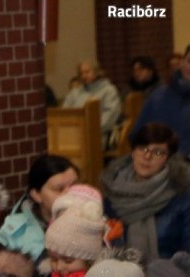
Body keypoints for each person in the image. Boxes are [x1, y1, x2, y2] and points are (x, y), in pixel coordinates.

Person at [102, 122, 190, 261]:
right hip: (119, 275)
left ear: (168, 159)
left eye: (157, 152)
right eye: (142, 148)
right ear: (132, 152)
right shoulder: (113, 191)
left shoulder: (182, 196)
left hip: (170, 276)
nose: (147, 156)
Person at [0, 154, 79, 277]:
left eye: (74, 186)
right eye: (59, 189)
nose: (69, 194)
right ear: (36, 195)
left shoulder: (94, 223)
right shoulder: (12, 233)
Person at [132, 45, 190, 156]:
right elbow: (138, 135)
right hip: (159, 164)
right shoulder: (158, 97)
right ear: (182, 62)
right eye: (189, 61)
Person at [62, 60, 122, 147]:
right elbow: (65, 113)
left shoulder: (109, 91)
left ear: (97, 72)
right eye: (81, 73)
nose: (84, 76)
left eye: (87, 72)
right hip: (73, 134)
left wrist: (88, 129)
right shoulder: (75, 92)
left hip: (97, 135)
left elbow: (110, 116)